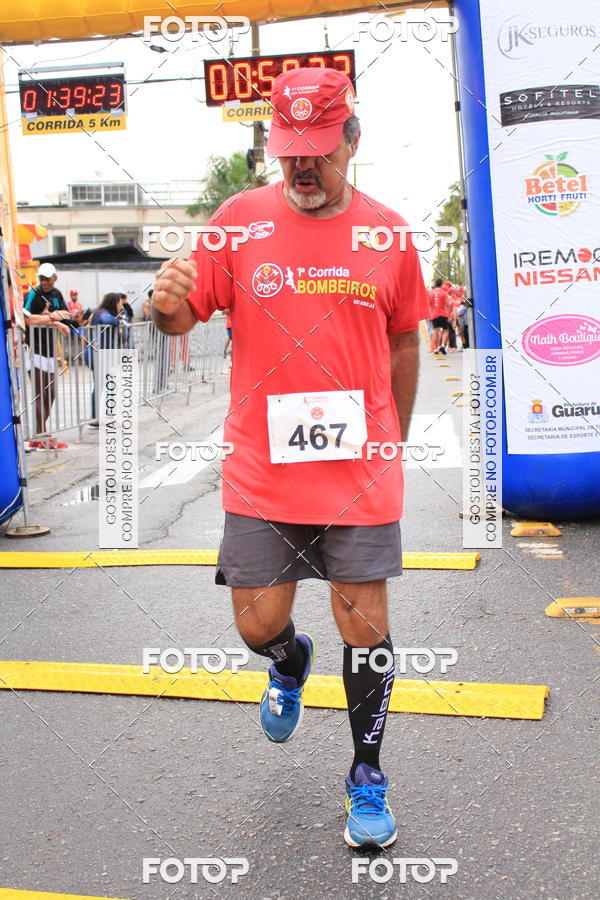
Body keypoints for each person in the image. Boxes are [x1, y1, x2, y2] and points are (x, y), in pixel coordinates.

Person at [151, 67, 429, 849]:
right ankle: (287, 659)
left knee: (366, 626)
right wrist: (165, 303)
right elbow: (179, 319)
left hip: (355, 470)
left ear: (352, 138)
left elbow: (406, 337)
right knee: (256, 622)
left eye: (317, 150)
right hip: (263, 469)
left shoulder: (389, 233)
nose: (302, 166)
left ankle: (366, 775)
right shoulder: (238, 222)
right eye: (287, 152)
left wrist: (391, 440)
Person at [22, 262, 75, 449]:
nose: (45, 283)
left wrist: (55, 320)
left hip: (51, 349)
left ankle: (40, 433)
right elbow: (28, 319)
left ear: (55, 278)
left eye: (48, 279)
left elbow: (66, 314)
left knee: (50, 394)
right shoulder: (32, 295)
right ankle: (41, 433)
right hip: (34, 349)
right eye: (42, 279)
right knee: (40, 393)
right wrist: (53, 318)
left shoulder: (57, 294)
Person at [88, 292, 124, 425]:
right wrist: (118, 320)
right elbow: (107, 320)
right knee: (108, 384)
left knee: (101, 385)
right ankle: (102, 416)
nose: (121, 305)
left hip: (99, 355)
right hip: (95, 354)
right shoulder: (101, 313)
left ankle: (96, 417)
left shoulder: (103, 311)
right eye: (119, 302)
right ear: (114, 302)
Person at [428, 277, 451, 355]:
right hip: (443, 314)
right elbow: (447, 304)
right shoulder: (444, 293)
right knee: (446, 330)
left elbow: (428, 304)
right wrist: (449, 314)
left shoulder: (430, 293)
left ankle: (435, 349)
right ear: (441, 284)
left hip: (434, 314)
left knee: (435, 331)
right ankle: (442, 346)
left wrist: (429, 315)